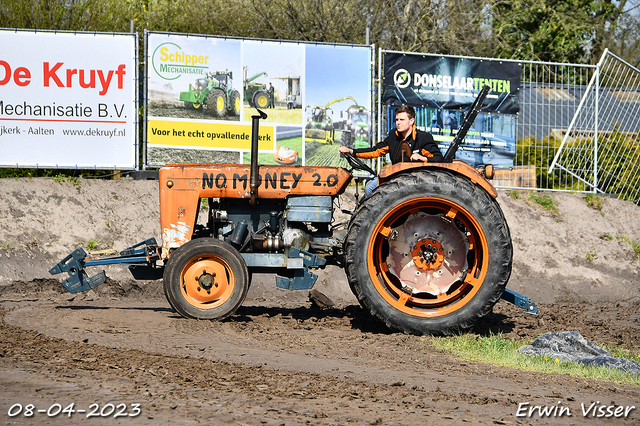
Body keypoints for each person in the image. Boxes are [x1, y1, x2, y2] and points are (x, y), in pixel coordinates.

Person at [339, 105, 444, 195]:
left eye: (402, 120)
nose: (398, 122)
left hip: (414, 181)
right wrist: (352, 152)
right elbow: (376, 151)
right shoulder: (393, 136)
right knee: (369, 183)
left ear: (411, 121)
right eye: (397, 120)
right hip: (396, 177)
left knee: (370, 188)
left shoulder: (422, 138)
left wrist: (423, 158)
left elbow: (440, 159)